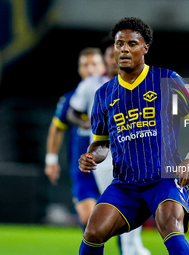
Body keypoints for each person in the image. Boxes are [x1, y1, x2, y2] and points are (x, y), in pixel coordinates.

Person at [78, 17, 189, 255]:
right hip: (125, 184)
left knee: (171, 226)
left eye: (132, 43)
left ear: (145, 48)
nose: (124, 49)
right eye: (119, 44)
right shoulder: (103, 94)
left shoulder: (167, 79)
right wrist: (91, 156)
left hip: (164, 177)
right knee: (93, 231)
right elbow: (101, 143)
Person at [68, 38, 151, 255]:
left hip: (134, 154)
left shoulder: (138, 83)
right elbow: (72, 112)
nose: (115, 59)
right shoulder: (93, 85)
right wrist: (88, 122)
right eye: (110, 55)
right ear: (105, 60)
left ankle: (133, 248)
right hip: (105, 156)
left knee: (133, 204)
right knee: (118, 205)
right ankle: (131, 249)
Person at [44, 47, 106, 229]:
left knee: (120, 222)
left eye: (94, 64)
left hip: (111, 168)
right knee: (89, 220)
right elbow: (56, 128)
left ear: (103, 67)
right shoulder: (71, 100)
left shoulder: (115, 96)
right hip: (84, 171)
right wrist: (51, 160)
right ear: (79, 70)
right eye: (84, 65)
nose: (89, 69)